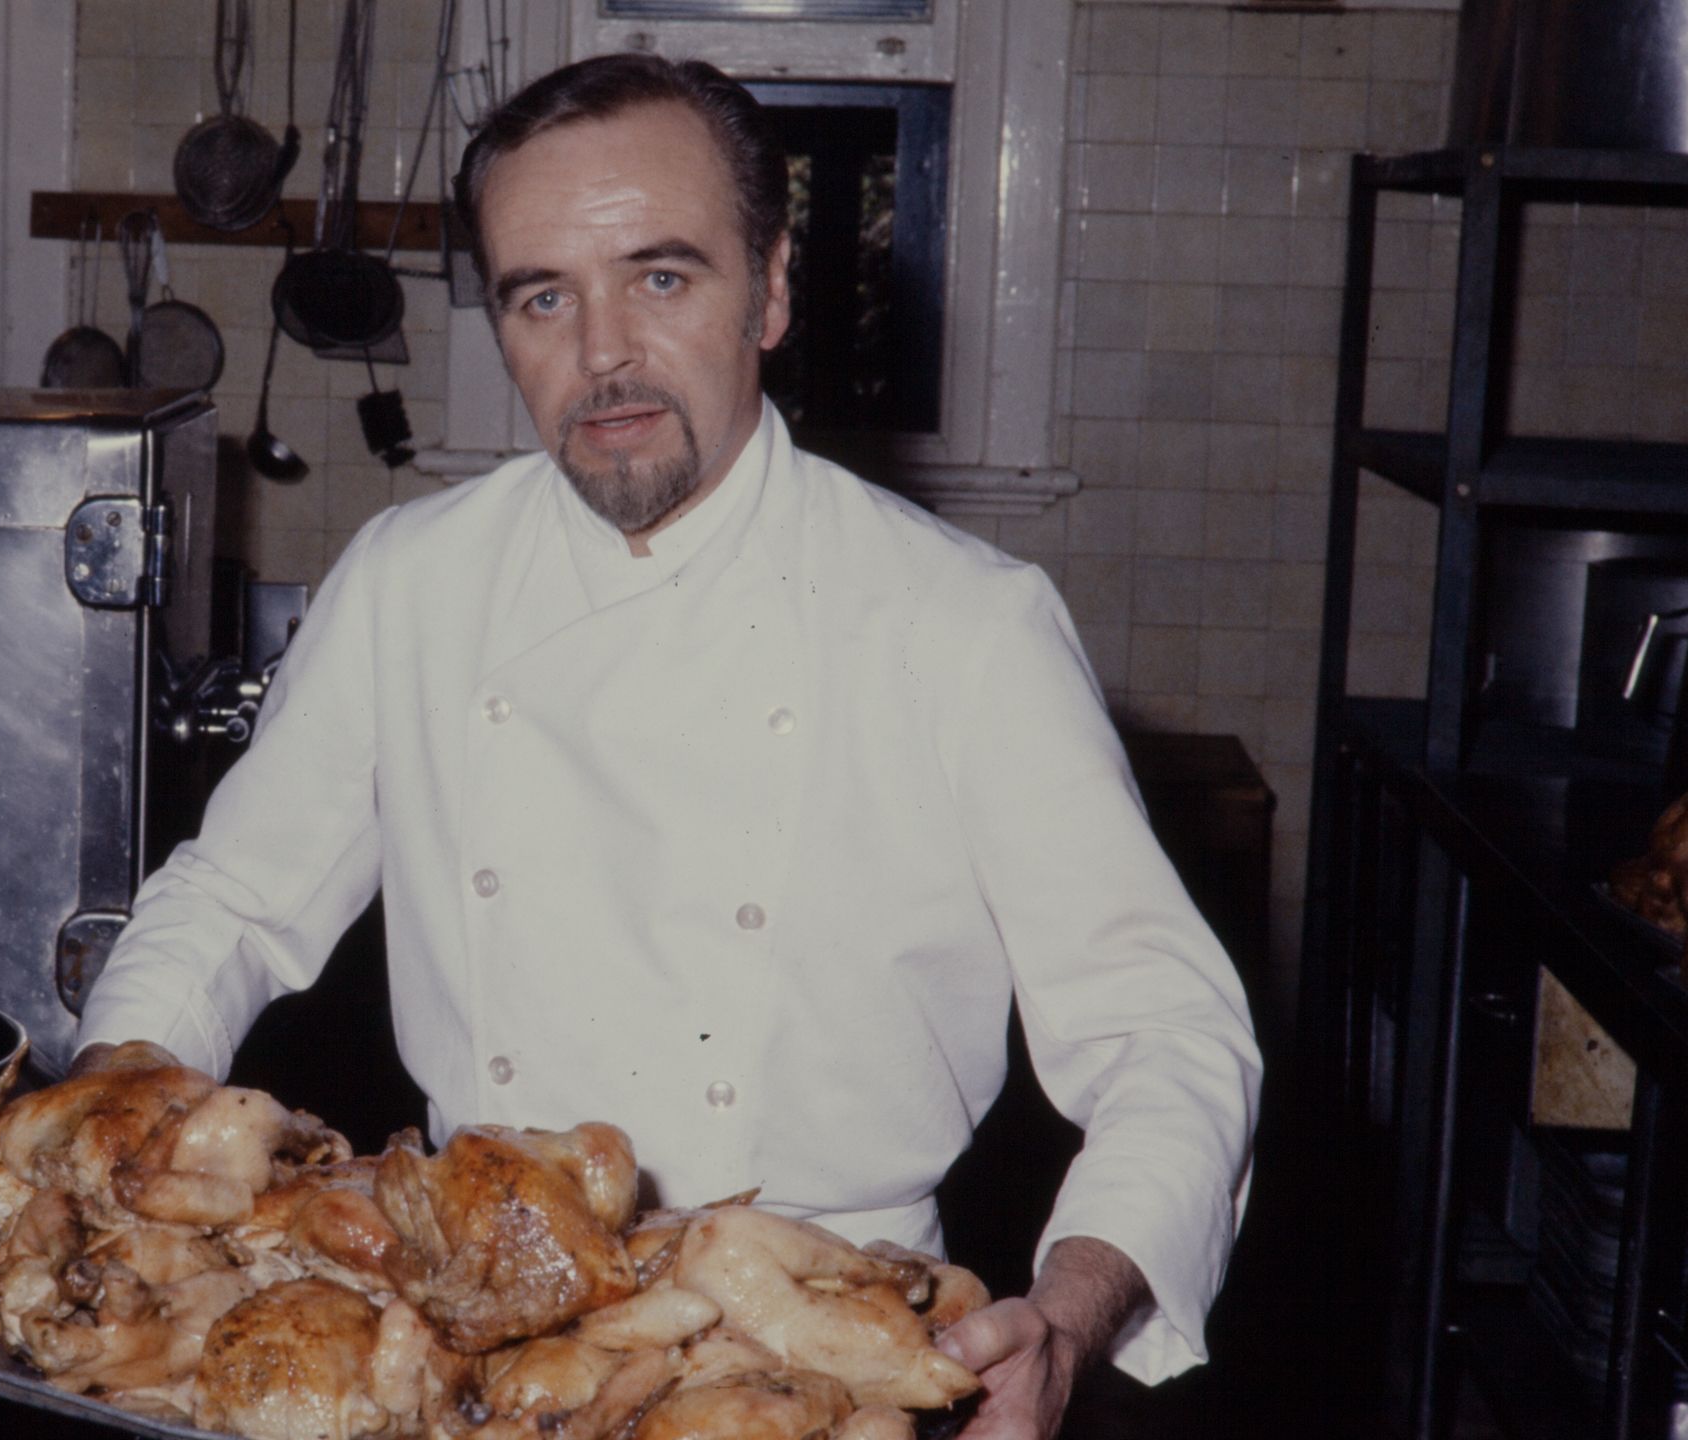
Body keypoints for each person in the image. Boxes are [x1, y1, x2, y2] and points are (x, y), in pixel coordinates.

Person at [74, 52, 1260, 1440]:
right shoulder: (414, 582)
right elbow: (232, 902)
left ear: (769, 289)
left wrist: (1066, 1317)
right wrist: (102, 1120)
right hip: (472, 1343)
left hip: (828, 1351)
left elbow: (1168, 1037)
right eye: (543, 295)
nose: (603, 355)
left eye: (661, 277)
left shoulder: (963, 627)